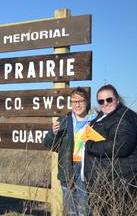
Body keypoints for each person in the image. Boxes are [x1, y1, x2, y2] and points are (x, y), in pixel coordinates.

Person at [84, 84, 137, 215]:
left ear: (117, 99)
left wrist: (90, 145)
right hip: (108, 182)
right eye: (101, 101)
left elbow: (121, 146)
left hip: (122, 183)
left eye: (109, 99)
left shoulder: (124, 118)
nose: (105, 104)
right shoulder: (105, 116)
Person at [43, 87, 96, 216]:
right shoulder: (64, 121)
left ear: (87, 102)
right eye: (74, 101)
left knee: (84, 210)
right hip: (67, 168)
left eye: (80, 101)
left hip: (86, 170)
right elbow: (49, 144)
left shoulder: (96, 120)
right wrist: (52, 133)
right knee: (70, 210)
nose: (77, 104)